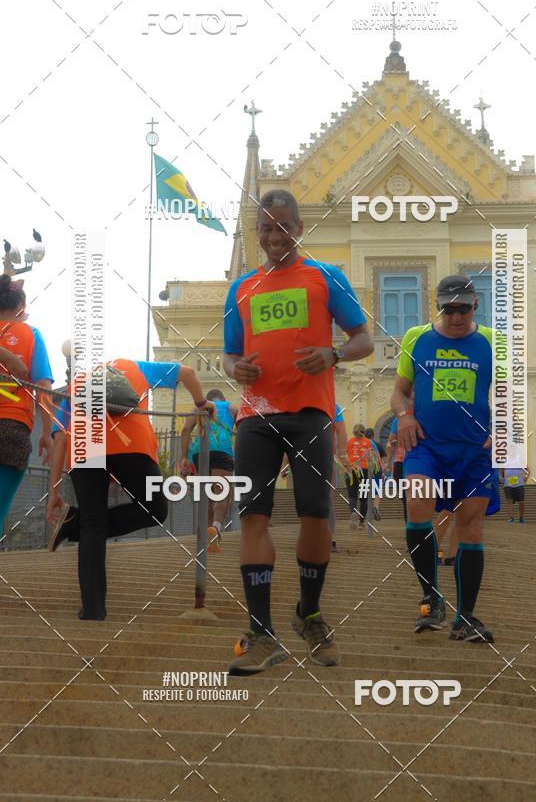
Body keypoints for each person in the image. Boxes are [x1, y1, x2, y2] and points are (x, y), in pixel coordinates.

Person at [223, 189, 372, 675]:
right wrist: (235, 368)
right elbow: (229, 354)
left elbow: (363, 339)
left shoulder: (326, 277)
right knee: (253, 519)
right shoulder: (241, 288)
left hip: (310, 412)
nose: (273, 236)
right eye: (265, 227)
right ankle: (261, 632)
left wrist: (333, 355)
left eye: (283, 226)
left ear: (299, 228)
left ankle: (309, 613)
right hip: (256, 417)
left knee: (314, 515)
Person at [46, 359, 214, 620]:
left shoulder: (76, 384)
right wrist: (202, 405)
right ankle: (75, 523)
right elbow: (190, 372)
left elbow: (59, 439)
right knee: (155, 509)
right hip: (131, 445)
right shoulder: (135, 367)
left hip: (84, 450)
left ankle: (93, 611)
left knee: (94, 525)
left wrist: (54, 490)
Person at [390, 274, 499, 644]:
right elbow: (400, 392)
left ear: (475, 305)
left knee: (471, 525)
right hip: (427, 446)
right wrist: (404, 415)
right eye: (448, 309)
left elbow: (511, 397)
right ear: (437, 306)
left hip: (473, 452)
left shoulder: (492, 342)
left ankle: (464, 617)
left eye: (463, 309)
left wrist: (505, 433)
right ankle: (431, 597)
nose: (455, 317)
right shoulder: (415, 338)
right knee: (417, 502)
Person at [0, 275, 54, 534]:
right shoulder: (31, 334)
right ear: (21, 306)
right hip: (11, 430)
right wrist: (46, 432)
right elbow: (43, 388)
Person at [180, 388, 238, 551]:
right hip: (222, 449)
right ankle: (216, 528)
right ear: (222, 398)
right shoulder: (229, 407)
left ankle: (208, 538)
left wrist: (184, 456)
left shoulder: (198, 408)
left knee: (206, 496)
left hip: (200, 451)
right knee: (222, 492)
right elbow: (243, 423)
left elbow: (185, 430)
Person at [346, 424, 376, 529]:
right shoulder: (368, 442)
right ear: (364, 432)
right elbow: (372, 457)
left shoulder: (349, 442)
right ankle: (361, 523)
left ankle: (353, 513)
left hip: (351, 469)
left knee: (352, 496)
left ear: (353, 432)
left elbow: (343, 456)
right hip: (364, 470)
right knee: (363, 498)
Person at [330, 403, 349, 551]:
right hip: (326, 457)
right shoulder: (333, 404)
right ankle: (331, 539)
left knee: (324, 500)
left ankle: (330, 539)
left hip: (324, 458)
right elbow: (342, 431)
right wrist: (343, 456)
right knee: (327, 500)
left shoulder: (332, 404)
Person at [365, 427, 385, 520]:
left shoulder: (363, 444)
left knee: (365, 490)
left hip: (365, 469)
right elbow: (383, 459)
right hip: (377, 469)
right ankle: (376, 506)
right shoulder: (378, 445)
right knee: (377, 490)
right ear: (373, 435)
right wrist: (385, 471)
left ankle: (363, 513)